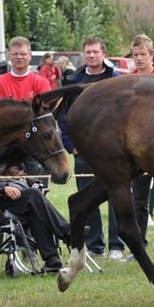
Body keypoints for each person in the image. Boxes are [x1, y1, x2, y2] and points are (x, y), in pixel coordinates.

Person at [59, 36, 124, 260]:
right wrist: (70, 145)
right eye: (88, 52)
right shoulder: (74, 80)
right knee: (88, 199)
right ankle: (95, 245)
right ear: (83, 54)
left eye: (96, 52)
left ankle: (117, 245)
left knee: (117, 196)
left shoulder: (114, 79)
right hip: (84, 151)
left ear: (103, 54)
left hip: (112, 151)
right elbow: (63, 116)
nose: (92, 56)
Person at [0, 164, 70, 272]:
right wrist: (3, 187)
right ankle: (67, 232)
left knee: (35, 207)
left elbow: (22, 175)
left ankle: (52, 260)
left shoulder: (9, 155)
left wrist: (35, 183)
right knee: (33, 196)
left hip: (20, 195)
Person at [0, 36, 52, 184]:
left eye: (23, 54)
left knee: (38, 190)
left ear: (30, 56)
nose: (19, 57)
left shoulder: (41, 82)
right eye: (15, 54)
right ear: (9, 55)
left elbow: (44, 115)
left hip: (35, 146)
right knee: (6, 190)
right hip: (7, 147)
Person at [126, 33, 154, 262]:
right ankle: (139, 245)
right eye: (135, 55)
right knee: (139, 201)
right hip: (139, 150)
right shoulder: (129, 80)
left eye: (142, 54)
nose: (139, 59)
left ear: (151, 55)